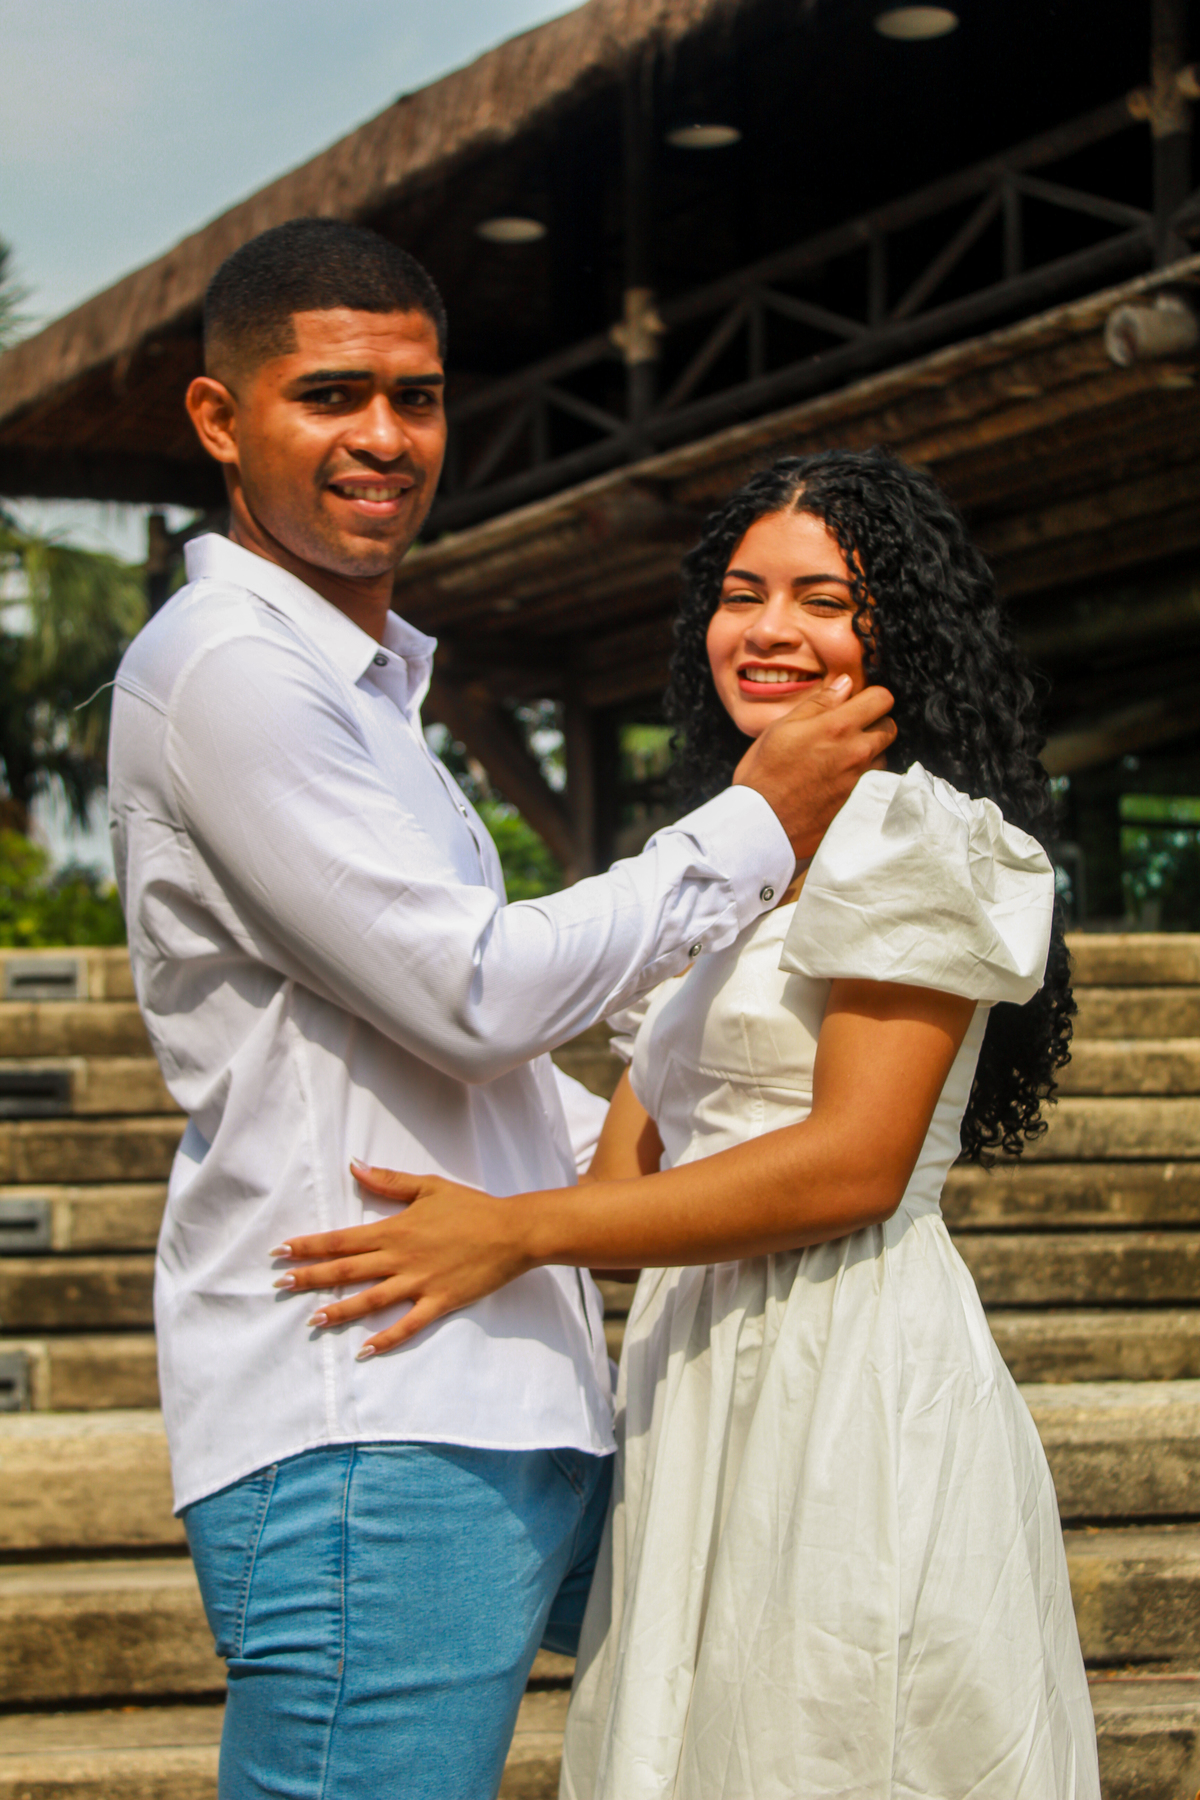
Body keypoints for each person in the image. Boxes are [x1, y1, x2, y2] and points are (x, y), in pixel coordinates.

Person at [107, 220, 895, 1800]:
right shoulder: (229, 672)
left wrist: (685, 1120)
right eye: (330, 395)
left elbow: (491, 1066)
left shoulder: (364, 696)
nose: (384, 437)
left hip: (499, 1380)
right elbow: (472, 994)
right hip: (370, 1405)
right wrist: (754, 822)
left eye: (416, 397)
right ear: (219, 419)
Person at [279, 448, 1102, 1797]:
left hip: (848, 1362)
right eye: (741, 594)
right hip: (691, 1372)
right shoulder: (730, 870)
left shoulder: (916, 836)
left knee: (838, 1742)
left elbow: (856, 1162)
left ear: (900, 633)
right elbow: (627, 1191)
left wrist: (514, 1231)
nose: (770, 630)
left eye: (824, 600)